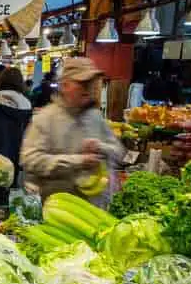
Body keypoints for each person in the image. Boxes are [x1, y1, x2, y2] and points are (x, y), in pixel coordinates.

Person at [20, 57, 123, 204]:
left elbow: (119, 152)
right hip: (57, 210)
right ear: (65, 85)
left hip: (95, 208)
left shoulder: (95, 116)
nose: (89, 88)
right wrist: (77, 161)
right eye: (82, 83)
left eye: (92, 83)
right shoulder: (45, 118)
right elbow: (29, 160)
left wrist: (101, 147)